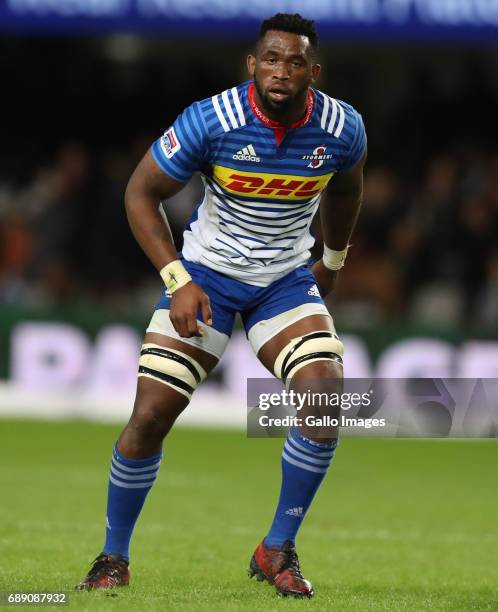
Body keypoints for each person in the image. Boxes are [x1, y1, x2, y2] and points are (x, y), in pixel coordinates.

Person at [76, 12, 366, 598]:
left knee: (326, 395)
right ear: (251, 64)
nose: (281, 71)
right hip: (205, 276)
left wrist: (332, 261)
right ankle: (113, 558)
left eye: (294, 62)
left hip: (283, 282)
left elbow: (349, 186)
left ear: (314, 71)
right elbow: (140, 192)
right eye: (271, 59)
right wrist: (177, 277)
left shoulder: (341, 127)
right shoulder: (212, 119)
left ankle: (276, 549)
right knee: (151, 414)